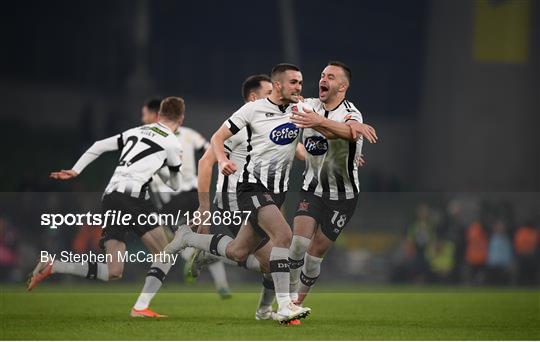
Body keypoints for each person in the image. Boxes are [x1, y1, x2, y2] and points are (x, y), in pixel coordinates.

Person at [165, 64, 312, 324]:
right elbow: (214, 143)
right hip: (249, 190)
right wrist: (220, 167)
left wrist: (334, 151)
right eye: (293, 82)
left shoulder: (296, 110)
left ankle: (188, 239)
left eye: (300, 83)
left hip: (277, 193)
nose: (299, 88)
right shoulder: (250, 113)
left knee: (237, 252)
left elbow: (304, 143)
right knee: (283, 237)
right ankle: (284, 306)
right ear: (276, 86)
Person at [28, 97, 185, 319]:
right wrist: (161, 166)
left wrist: (75, 170)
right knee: (166, 254)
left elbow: (98, 146)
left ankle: (55, 266)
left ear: (159, 116)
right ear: (181, 119)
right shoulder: (173, 142)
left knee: (114, 271)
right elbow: (175, 184)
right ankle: (140, 307)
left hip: (111, 197)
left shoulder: (136, 131)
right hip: (134, 197)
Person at [191, 74, 286, 321]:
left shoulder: (267, 125)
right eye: (268, 93)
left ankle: (212, 252)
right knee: (271, 260)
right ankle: (192, 240)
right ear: (254, 98)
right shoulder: (238, 126)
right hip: (234, 201)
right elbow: (204, 162)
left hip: (260, 198)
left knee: (260, 258)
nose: (274, 97)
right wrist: (204, 209)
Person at [286, 61, 378, 304]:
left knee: (314, 255)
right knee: (297, 244)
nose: (323, 79)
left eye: (331, 76)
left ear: (343, 86)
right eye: (322, 75)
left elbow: (348, 131)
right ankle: (287, 302)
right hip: (312, 189)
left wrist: (346, 127)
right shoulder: (309, 106)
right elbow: (304, 133)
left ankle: (298, 302)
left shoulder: (352, 112)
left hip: (343, 197)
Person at [139, 97, 232, 299]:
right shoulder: (189, 134)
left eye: (145, 114)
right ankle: (222, 285)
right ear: (180, 117)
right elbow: (210, 150)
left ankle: (190, 259)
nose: (143, 118)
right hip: (195, 194)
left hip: (172, 199)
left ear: (157, 116)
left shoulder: (148, 139)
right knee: (206, 238)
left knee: (179, 238)